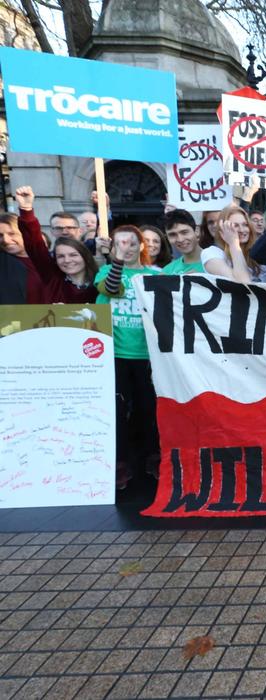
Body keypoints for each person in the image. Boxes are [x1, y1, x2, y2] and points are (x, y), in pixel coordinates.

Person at [95, 225, 162, 489]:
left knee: (150, 409)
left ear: (142, 246)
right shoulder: (105, 271)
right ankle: (120, 462)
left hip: (148, 355)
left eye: (132, 243)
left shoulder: (156, 274)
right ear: (112, 247)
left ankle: (154, 457)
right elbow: (112, 289)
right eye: (121, 243)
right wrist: (118, 262)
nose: (127, 247)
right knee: (118, 410)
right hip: (116, 354)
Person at [15, 186, 97, 304]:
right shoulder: (53, 278)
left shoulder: (100, 282)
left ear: (85, 257)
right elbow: (35, 245)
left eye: (73, 255)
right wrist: (26, 209)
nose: (67, 260)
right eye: (60, 256)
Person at [202, 207, 263, 283]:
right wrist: (234, 243)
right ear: (223, 228)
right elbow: (243, 284)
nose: (242, 230)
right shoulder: (211, 253)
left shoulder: (254, 251)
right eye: (235, 225)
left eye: (245, 225)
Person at [162, 210, 205, 275]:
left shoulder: (217, 261)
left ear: (197, 231)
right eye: (172, 235)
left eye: (184, 232)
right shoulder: (167, 271)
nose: (180, 239)